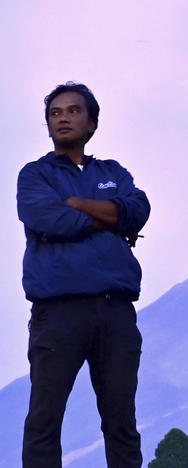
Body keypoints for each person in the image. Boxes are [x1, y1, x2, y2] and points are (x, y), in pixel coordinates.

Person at [17, 82, 150, 468]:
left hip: (116, 310)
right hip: (57, 311)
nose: (62, 117)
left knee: (122, 422)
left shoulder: (113, 171)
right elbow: (48, 218)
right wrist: (110, 219)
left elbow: (138, 209)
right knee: (44, 420)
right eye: (55, 112)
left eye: (73, 111)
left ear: (92, 123)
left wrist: (77, 206)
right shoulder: (34, 175)